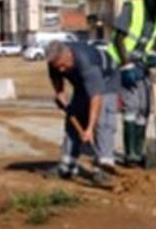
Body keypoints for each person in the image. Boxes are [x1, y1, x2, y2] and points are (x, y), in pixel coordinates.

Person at [109, 0, 156, 166]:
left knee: (144, 108)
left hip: (142, 64)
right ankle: (130, 154)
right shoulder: (132, 7)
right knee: (132, 106)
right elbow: (118, 38)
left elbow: (155, 40)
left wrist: (152, 56)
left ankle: (139, 150)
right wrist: (126, 66)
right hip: (123, 61)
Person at [45, 40, 117, 188]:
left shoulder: (86, 61)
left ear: (68, 55)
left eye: (63, 65)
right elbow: (56, 80)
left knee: (102, 122)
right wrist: (60, 94)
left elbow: (96, 98)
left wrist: (89, 128)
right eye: (58, 67)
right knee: (73, 117)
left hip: (108, 79)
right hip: (82, 83)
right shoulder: (54, 62)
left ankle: (104, 167)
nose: (62, 70)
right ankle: (67, 165)